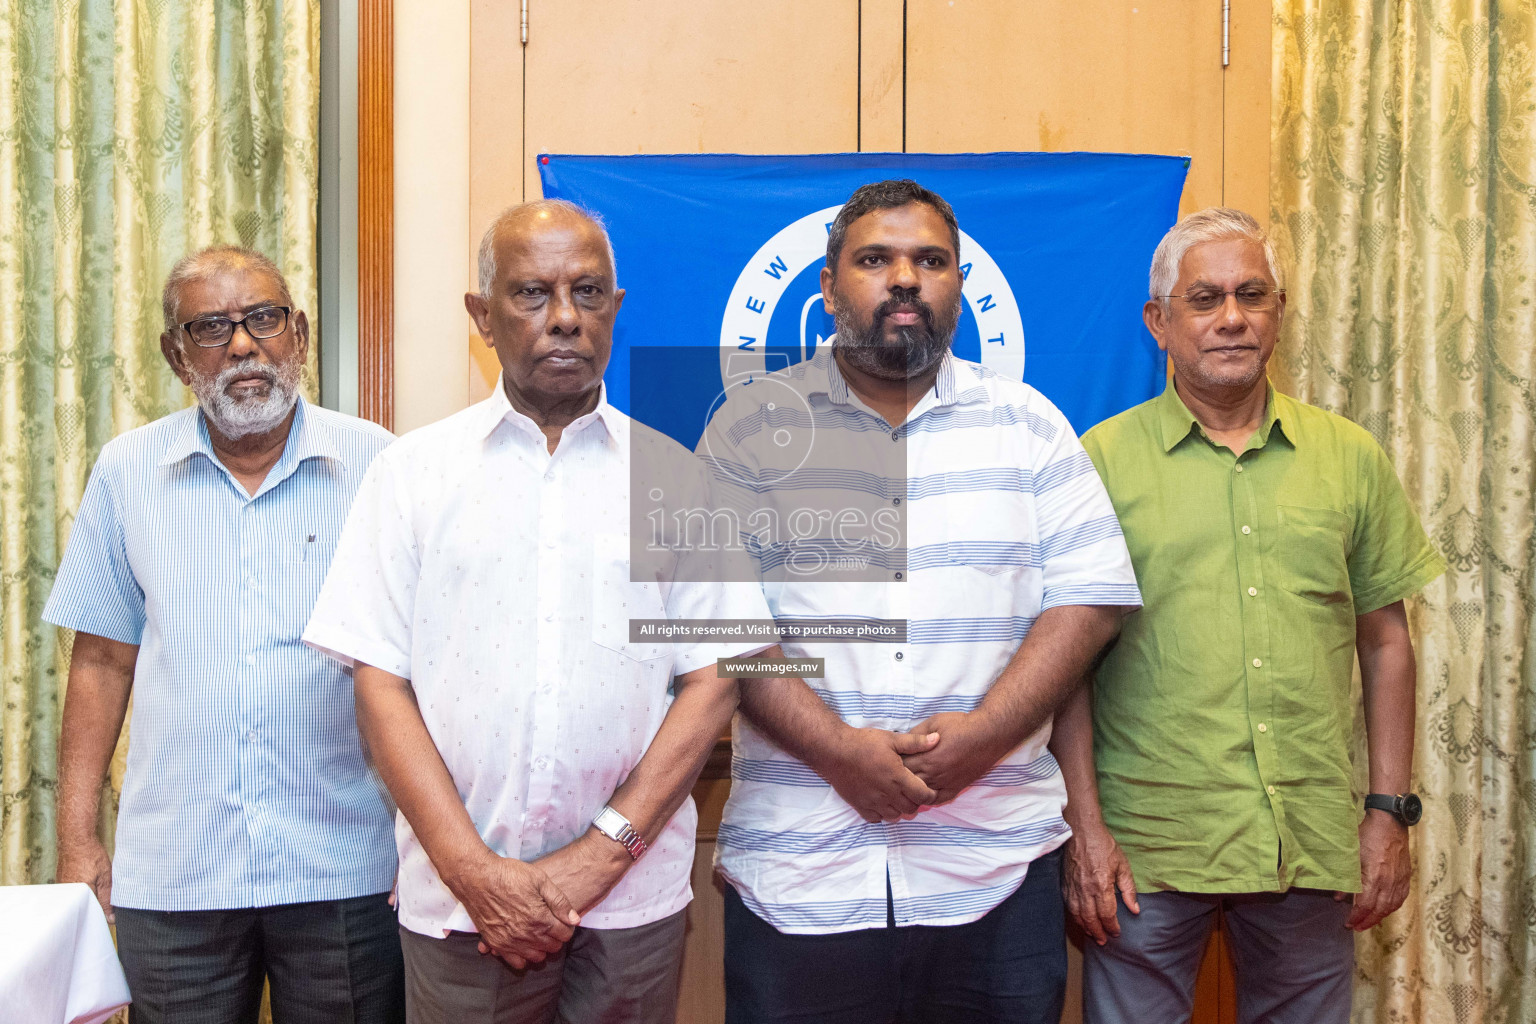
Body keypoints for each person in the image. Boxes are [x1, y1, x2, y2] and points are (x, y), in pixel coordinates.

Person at [303, 200, 778, 1024]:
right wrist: (475, 875)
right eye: (532, 294)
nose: (564, 319)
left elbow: (715, 681)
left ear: (616, 311)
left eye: (588, 293)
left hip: (630, 903)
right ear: (482, 316)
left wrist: (596, 861)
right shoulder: (411, 475)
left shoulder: (677, 478)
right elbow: (378, 682)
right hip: (460, 912)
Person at [699, 179, 1142, 1024]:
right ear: (828, 289)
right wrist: (835, 749)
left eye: (929, 261)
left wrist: (983, 738)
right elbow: (715, 625)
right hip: (799, 875)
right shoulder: (746, 428)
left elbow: (1087, 604)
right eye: (876, 259)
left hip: (993, 873)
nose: (905, 278)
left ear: (960, 284)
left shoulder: (1029, 424)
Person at [1059, 207, 1446, 1024]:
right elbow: (1066, 669)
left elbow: (1386, 645)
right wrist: (1084, 829)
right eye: (1204, 299)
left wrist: (1387, 813)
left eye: (1251, 294)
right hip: (1147, 844)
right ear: (1158, 323)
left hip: (1306, 836)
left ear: (1279, 312)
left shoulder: (1348, 457)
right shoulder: (1097, 464)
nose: (1231, 317)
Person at [45, 246, 403, 1023]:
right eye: (211, 327)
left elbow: (418, 669)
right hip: (177, 874)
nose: (243, 345)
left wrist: (429, 840)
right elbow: (102, 661)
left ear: (299, 336)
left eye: (264, 320)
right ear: (177, 355)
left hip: (345, 864)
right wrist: (79, 842)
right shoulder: (126, 471)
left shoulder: (381, 465)